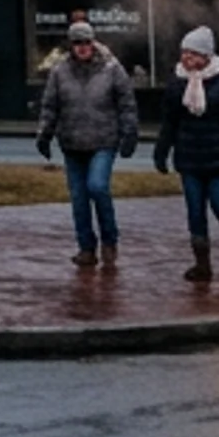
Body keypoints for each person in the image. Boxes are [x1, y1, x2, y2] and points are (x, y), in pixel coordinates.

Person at [151, 24, 219, 280]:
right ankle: (202, 264)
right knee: (195, 211)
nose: (187, 58)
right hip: (190, 159)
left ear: (206, 55)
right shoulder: (177, 83)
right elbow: (170, 121)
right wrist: (161, 150)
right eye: (184, 52)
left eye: (193, 53)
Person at [34, 20, 139, 268]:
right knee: (79, 199)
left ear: (94, 42)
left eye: (87, 42)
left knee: (98, 187)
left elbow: (127, 104)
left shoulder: (112, 69)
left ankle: (110, 242)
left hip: (104, 140)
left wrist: (129, 134)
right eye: (77, 43)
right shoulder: (59, 71)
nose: (83, 47)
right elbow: (50, 106)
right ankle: (86, 248)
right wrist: (44, 135)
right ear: (71, 45)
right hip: (72, 143)